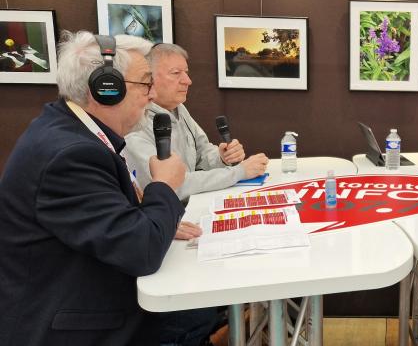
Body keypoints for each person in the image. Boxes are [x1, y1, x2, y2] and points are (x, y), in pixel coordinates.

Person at [0, 31, 186, 345]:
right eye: (145, 82)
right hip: (71, 327)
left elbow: (111, 220)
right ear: (105, 89)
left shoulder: (68, 130)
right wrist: (164, 186)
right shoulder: (70, 155)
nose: (153, 95)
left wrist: (156, 219)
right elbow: (142, 251)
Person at [124, 43, 268, 202]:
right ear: (148, 79)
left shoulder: (179, 109)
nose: (188, 81)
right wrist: (239, 172)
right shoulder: (133, 125)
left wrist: (221, 157)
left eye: (186, 72)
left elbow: (202, 153)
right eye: (176, 73)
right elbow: (174, 185)